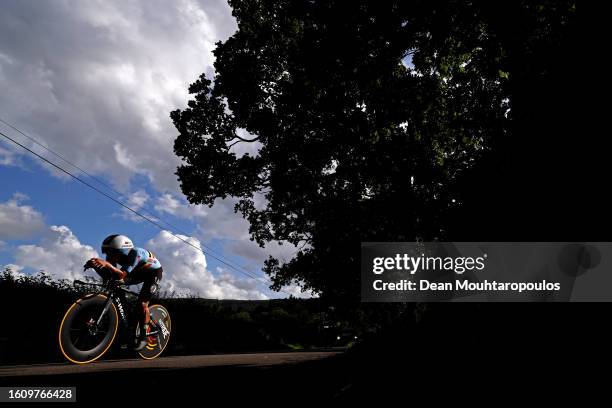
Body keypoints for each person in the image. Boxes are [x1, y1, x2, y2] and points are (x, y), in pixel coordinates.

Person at [84, 234, 163, 352]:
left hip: (153, 273)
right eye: (107, 253)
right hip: (137, 271)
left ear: (122, 250)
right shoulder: (113, 256)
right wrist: (96, 267)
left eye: (112, 253)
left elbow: (121, 274)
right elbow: (109, 277)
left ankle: (143, 337)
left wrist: (106, 265)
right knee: (114, 284)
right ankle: (129, 318)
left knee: (142, 304)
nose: (109, 256)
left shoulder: (135, 253)